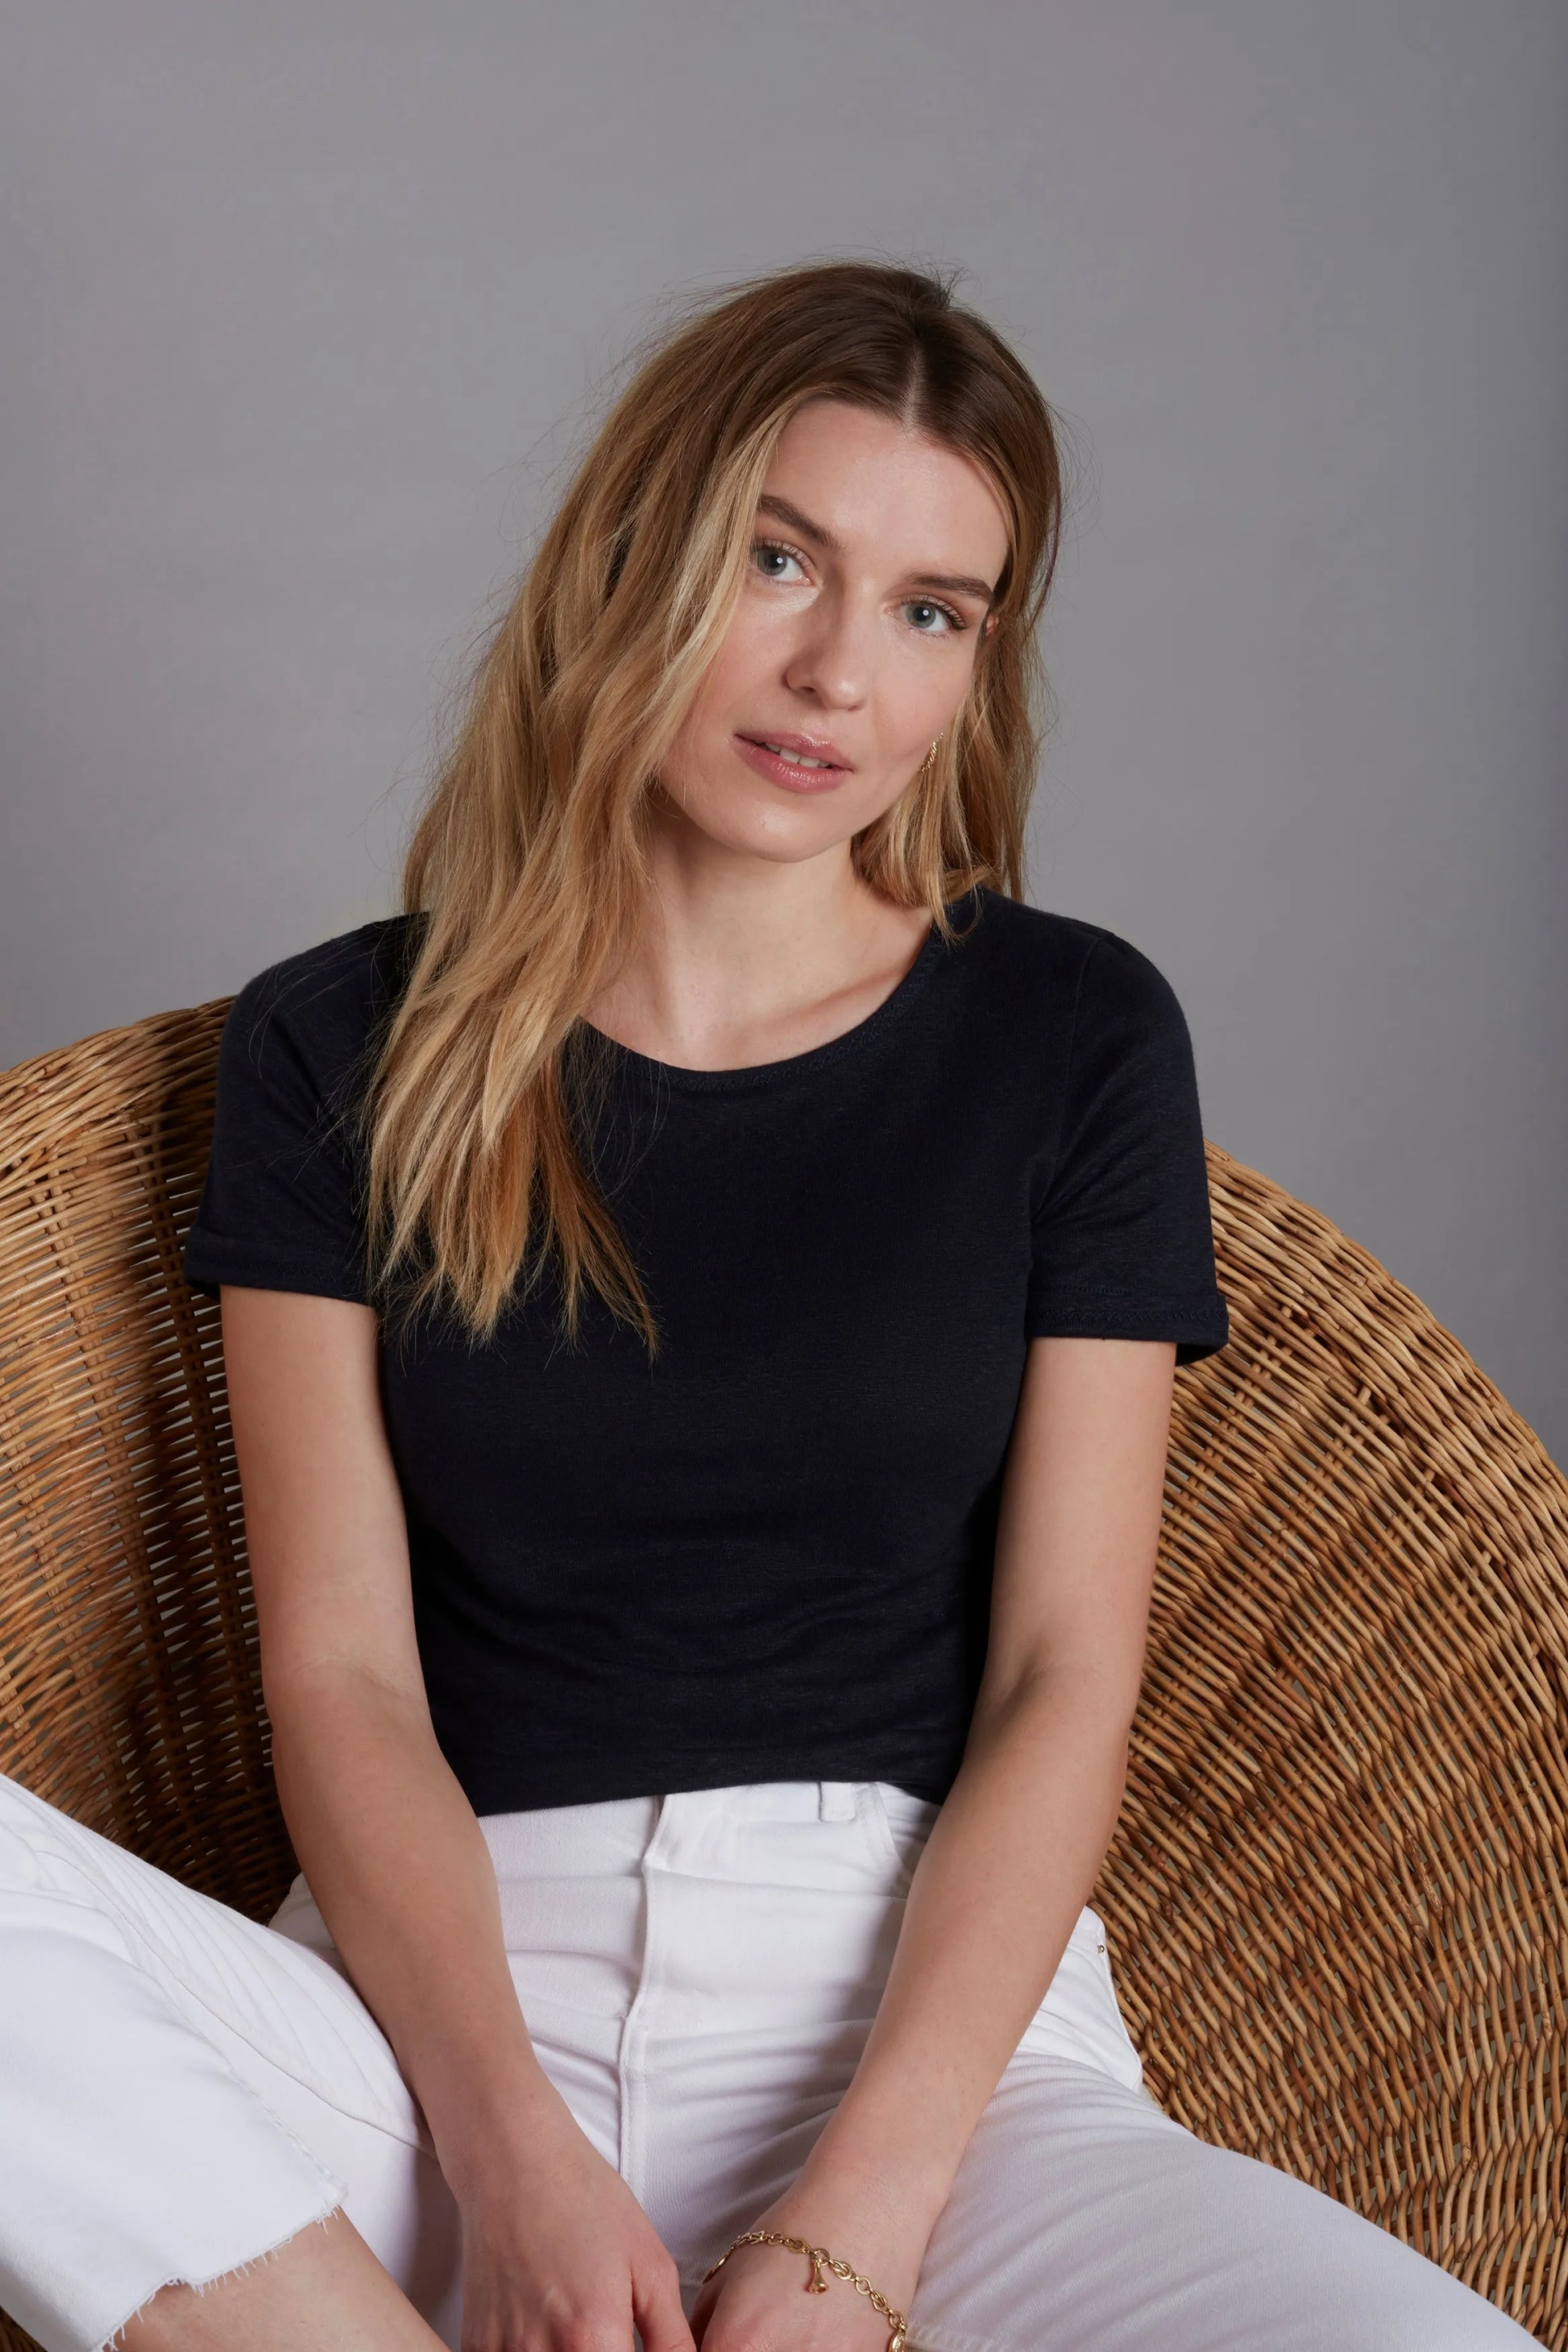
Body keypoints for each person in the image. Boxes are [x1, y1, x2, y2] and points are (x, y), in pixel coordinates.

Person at [0, 261, 1537, 2352]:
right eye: (775, 559)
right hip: (424, 2036)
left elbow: (1062, 1678)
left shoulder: (1070, 1037)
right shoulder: (341, 1046)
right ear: (630, 555)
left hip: (923, 2061)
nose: (837, 673)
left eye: (929, 611)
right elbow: (343, 1678)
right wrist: (514, 2155)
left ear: (977, 669)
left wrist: (857, 2238)